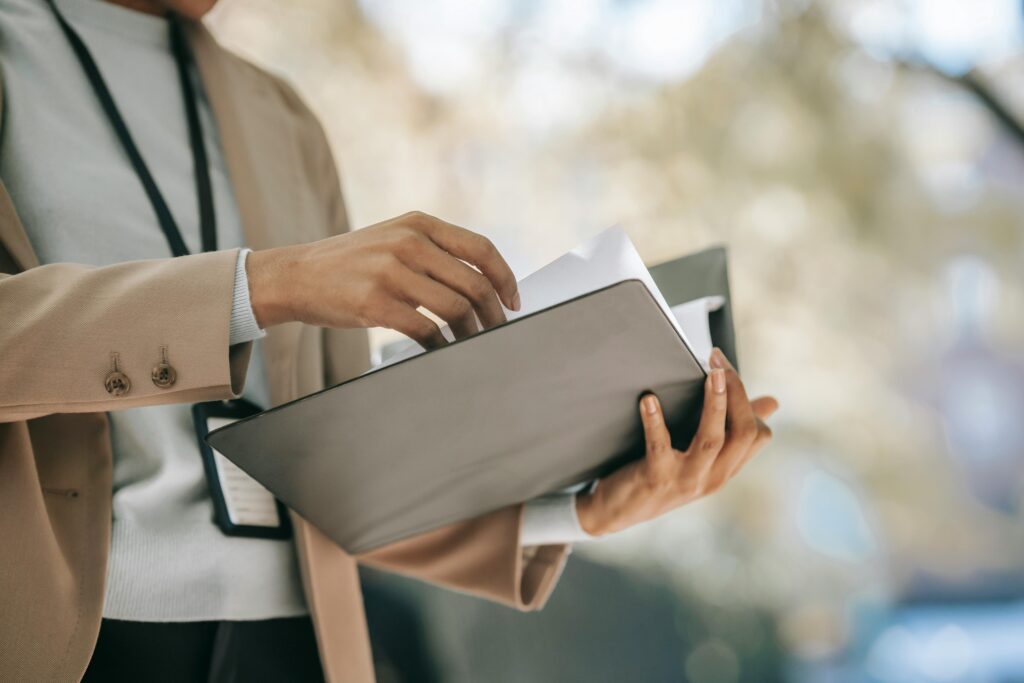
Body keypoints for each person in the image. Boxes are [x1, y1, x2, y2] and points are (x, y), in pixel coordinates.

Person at [0, 0, 779, 680]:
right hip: (65, 648)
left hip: (304, 647)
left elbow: (333, 459)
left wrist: (577, 512)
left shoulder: (282, 118)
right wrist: (266, 284)